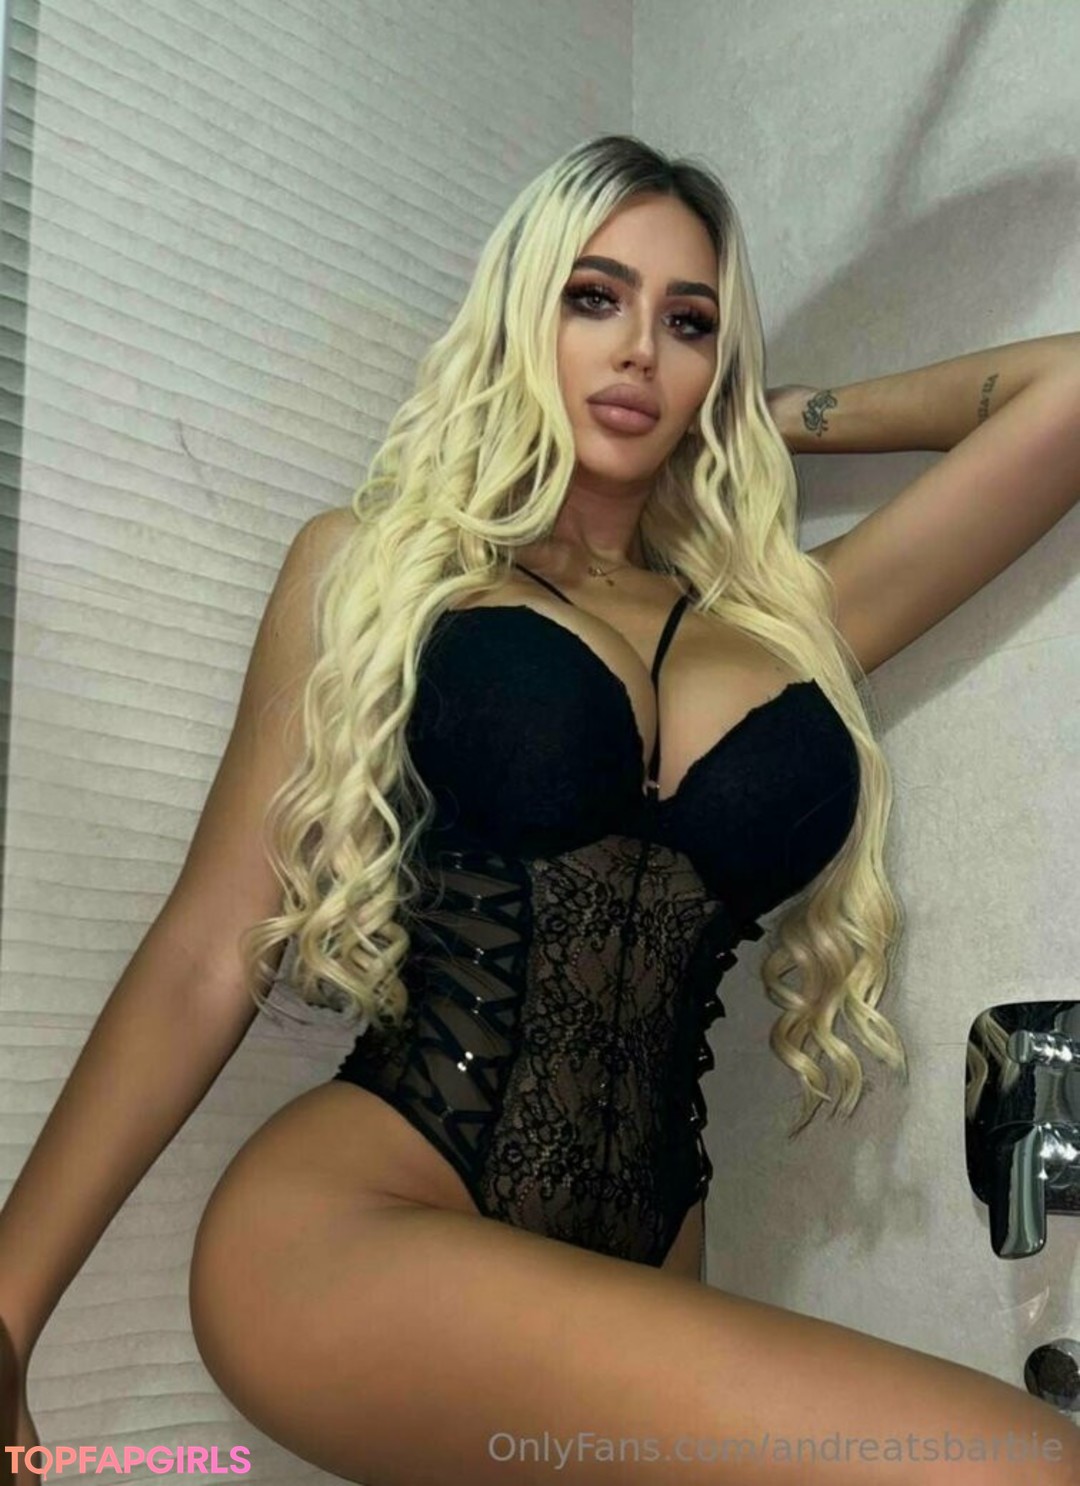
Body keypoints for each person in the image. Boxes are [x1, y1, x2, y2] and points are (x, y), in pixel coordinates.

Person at [2, 133, 1078, 1486]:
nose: (638, 351)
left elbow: (1066, 394)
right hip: (357, 1224)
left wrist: (765, 410)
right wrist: (7, 1309)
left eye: (686, 322)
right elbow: (210, 950)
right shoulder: (378, 574)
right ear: (522, 314)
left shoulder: (792, 619)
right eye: (594, 297)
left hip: (647, 1259)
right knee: (1025, 1466)